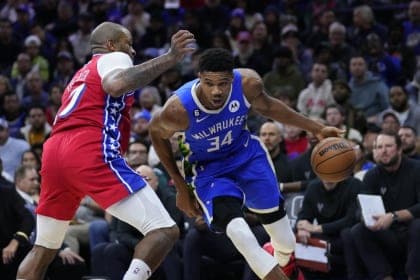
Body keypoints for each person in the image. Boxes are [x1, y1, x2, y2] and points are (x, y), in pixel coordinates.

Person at [17, 21, 195, 280]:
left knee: (43, 248)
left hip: (55, 152)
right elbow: (116, 85)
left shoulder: (81, 74)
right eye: (128, 44)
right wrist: (169, 58)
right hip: (87, 147)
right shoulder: (113, 58)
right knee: (165, 230)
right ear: (111, 45)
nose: (132, 52)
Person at [149, 48, 343, 280]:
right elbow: (155, 134)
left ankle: (278, 257)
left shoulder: (248, 84)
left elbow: (271, 107)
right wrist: (181, 187)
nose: (217, 90)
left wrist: (318, 128)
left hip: (247, 157)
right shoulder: (178, 109)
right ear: (198, 77)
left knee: (285, 242)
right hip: (208, 170)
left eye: (223, 83)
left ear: (232, 78)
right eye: (209, 83)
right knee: (240, 233)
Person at [342, 132, 420, 279]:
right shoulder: (371, 175)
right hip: (388, 233)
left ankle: (414, 276)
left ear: (399, 149)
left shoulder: (416, 169)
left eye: (388, 146)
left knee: (418, 225)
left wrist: (393, 216)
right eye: (378, 147)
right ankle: (384, 276)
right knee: (358, 230)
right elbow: (361, 209)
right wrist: (367, 218)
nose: (383, 150)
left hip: (411, 230)